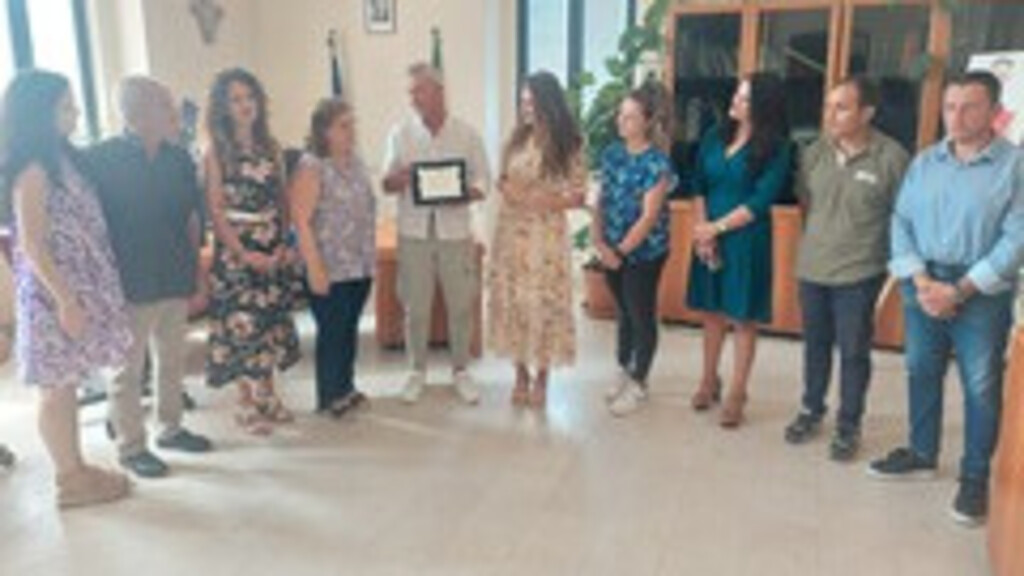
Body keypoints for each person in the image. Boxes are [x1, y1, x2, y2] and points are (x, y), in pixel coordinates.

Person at [869, 71, 1024, 527]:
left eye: (969, 107)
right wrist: (920, 280)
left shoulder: (1014, 166)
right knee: (921, 369)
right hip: (923, 282)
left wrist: (960, 289)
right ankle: (922, 453)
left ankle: (974, 478)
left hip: (982, 290)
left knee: (980, 384)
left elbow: (1016, 239)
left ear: (994, 112)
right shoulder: (926, 162)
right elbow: (901, 221)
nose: (956, 117)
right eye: (950, 106)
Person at [0, 70, 133, 507]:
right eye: (65, 107)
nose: (75, 113)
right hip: (53, 295)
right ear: (38, 114)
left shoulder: (63, 159)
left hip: (77, 289)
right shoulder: (33, 170)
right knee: (55, 389)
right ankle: (69, 478)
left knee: (68, 384)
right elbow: (32, 243)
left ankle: (75, 467)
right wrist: (65, 300)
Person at [87, 77, 213, 478]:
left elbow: (191, 218)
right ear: (135, 113)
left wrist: (197, 270)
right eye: (165, 106)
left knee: (171, 360)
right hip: (127, 280)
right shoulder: (101, 159)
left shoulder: (179, 159)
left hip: (173, 272)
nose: (174, 115)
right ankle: (131, 446)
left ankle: (170, 428)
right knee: (126, 371)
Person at [783, 77, 910, 461]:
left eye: (842, 107)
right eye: (828, 106)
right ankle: (811, 409)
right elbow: (807, 202)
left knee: (854, 350)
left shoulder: (891, 158)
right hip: (814, 266)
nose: (831, 115)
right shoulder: (814, 153)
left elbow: (903, 215)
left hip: (860, 271)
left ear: (866, 113)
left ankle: (848, 424)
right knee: (815, 346)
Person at [686, 72, 792, 428]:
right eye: (737, 94)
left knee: (742, 317)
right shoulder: (714, 136)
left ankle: (737, 392)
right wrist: (702, 232)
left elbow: (760, 201)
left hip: (746, 240)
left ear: (762, 107)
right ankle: (708, 380)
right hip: (707, 235)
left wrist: (716, 229)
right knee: (711, 312)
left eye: (745, 98)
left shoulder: (778, 148)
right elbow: (697, 184)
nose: (735, 101)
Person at [381, 62, 491, 405]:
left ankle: (461, 371)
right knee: (416, 307)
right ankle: (416, 371)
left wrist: (465, 193)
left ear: (439, 92)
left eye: (419, 90)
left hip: (455, 232)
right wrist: (400, 179)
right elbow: (386, 183)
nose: (413, 98)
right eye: (410, 92)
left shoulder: (467, 135)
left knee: (461, 304)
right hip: (413, 232)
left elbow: (483, 180)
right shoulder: (400, 134)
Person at [203, 68, 300, 435]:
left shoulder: (271, 147)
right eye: (236, 99)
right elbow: (216, 210)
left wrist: (284, 242)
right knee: (242, 326)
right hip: (237, 251)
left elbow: (283, 199)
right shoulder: (216, 151)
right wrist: (244, 254)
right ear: (223, 107)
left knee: (270, 323)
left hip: (272, 245)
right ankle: (245, 401)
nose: (245, 105)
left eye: (250, 97)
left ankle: (268, 396)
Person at [487, 71, 586, 408]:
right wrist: (507, 189)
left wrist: (546, 201)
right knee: (514, 302)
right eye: (522, 102)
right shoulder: (516, 139)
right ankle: (520, 374)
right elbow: (501, 178)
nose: (525, 108)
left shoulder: (570, 142)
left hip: (546, 236)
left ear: (549, 102)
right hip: (511, 232)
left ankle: (543, 378)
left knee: (544, 304)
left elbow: (579, 194)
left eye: (531, 101)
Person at [594, 82, 677, 418]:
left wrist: (621, 252)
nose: (621, 121)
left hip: (644, 252)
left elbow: (648, 217)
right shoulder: (611, 155)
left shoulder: (657, 164)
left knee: (640, 313)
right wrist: (599, 242)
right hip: (611, 247)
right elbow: (600, 200)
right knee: (623, 312)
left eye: (629, 117)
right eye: (620, 115)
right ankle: (623, 368)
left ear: (646, 122)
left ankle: (639, 381)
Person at [290, 98, 375, 417]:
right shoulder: (312, 166)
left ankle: (346, 387)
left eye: (353, 125)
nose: (351, 131)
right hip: (328, 266)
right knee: (332, 332)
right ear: (324, 131)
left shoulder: (356, 162)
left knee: (349, 329)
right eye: (343, 126)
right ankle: (328, 396)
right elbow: (300, 220)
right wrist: (314, 268)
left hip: (358, 264)